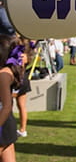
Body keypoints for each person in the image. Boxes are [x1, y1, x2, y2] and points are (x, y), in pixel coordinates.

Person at [0, 34, 25, 162]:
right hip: (7, 122)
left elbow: (6, 105)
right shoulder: (9, 70)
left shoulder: (3, 74)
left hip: (2, 123)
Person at [12, 36, 35, 138]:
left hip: (18, 80)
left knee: (8, 106)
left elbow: (17, 67)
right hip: (23, 79)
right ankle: (22, 129)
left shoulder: (21, 55)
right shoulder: (28, 55)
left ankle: (15, 128)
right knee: (21, 106)